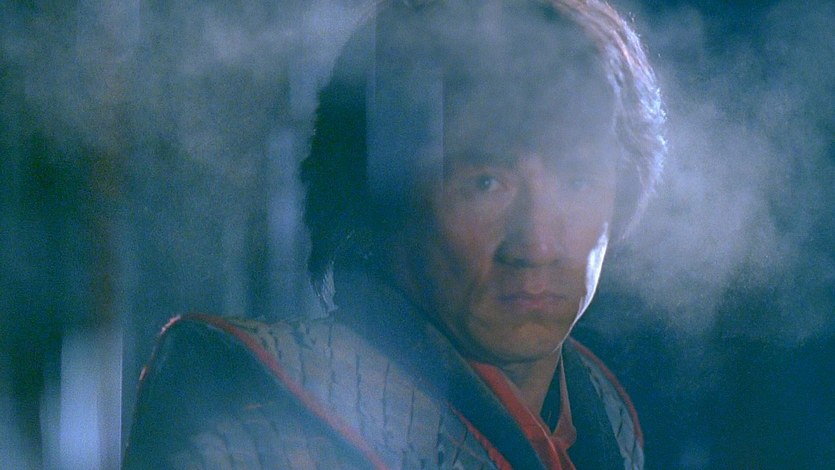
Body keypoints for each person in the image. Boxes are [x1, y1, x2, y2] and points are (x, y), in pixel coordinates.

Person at [123, 0, 665, 468]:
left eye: (577, 180)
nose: (537, 246)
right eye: (485, 182)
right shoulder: (260, 431)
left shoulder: (604, 423)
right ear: (379, 199)